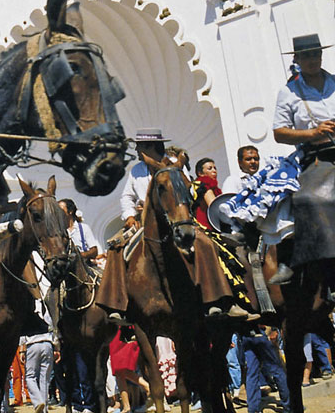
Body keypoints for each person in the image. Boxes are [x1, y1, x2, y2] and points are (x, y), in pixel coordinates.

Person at [98, 129, 253, 322]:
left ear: (149, 147)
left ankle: (220, 301)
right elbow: (126, 197)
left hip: (177, 220)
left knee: (206, 244)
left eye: (139, 146)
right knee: (116, 247)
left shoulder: (175, 165)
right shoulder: (136, 171)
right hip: (146, 223)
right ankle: (119, 307)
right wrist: (130, 214)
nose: (136, 150)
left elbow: (186, 192)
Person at [270, 33, 335, 285]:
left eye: (316, 54)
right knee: (308, 199)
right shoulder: (289, 92)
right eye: (306, 55)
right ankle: (323, 272)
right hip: (318, 157)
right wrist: (313, 133)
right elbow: (279, 132)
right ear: (297, 59)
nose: (312, 59)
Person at [237, 325, 291, 413]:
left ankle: (253, 409)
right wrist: (274, 329)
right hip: (262, 333)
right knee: (277, 370)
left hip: (246, 334)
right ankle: (288, 406)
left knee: (252, 373)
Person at [58, 199, 104, 267]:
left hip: (85, 267)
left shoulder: (84, 228)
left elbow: (94, 251)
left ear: (70, 211)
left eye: (60, 210)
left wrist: (80, 255)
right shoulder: (58, 232)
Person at [193, 157, 222, 230]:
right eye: (210, 168)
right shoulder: (205, 185)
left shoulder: (214, 187)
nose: (214, 171)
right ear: (200, 173)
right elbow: (214, 206)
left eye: (215, 168)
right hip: (206, 225)